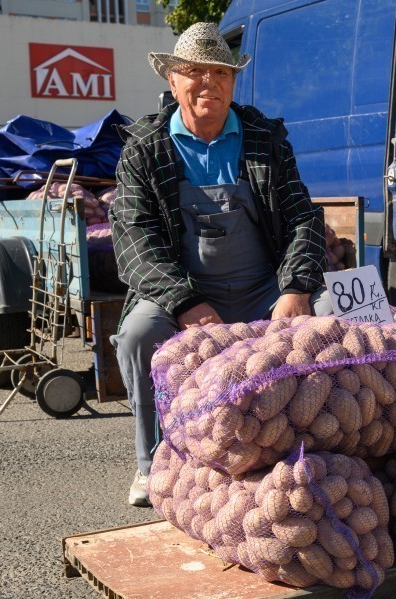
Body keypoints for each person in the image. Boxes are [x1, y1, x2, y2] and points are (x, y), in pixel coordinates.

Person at [109, 23, 331, 506]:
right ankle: (153, 463)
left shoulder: (264, 139)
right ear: (172, 81)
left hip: (264, 288)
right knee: (138, 335)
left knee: (334, 319)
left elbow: (302, 217)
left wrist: (295, 288)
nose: (208, 81)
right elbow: (133, 236)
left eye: (220, 72)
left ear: (233, 82)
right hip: (181, 293)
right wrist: (184, 300)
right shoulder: (145, 148)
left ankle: (323, 448)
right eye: (193, 71)